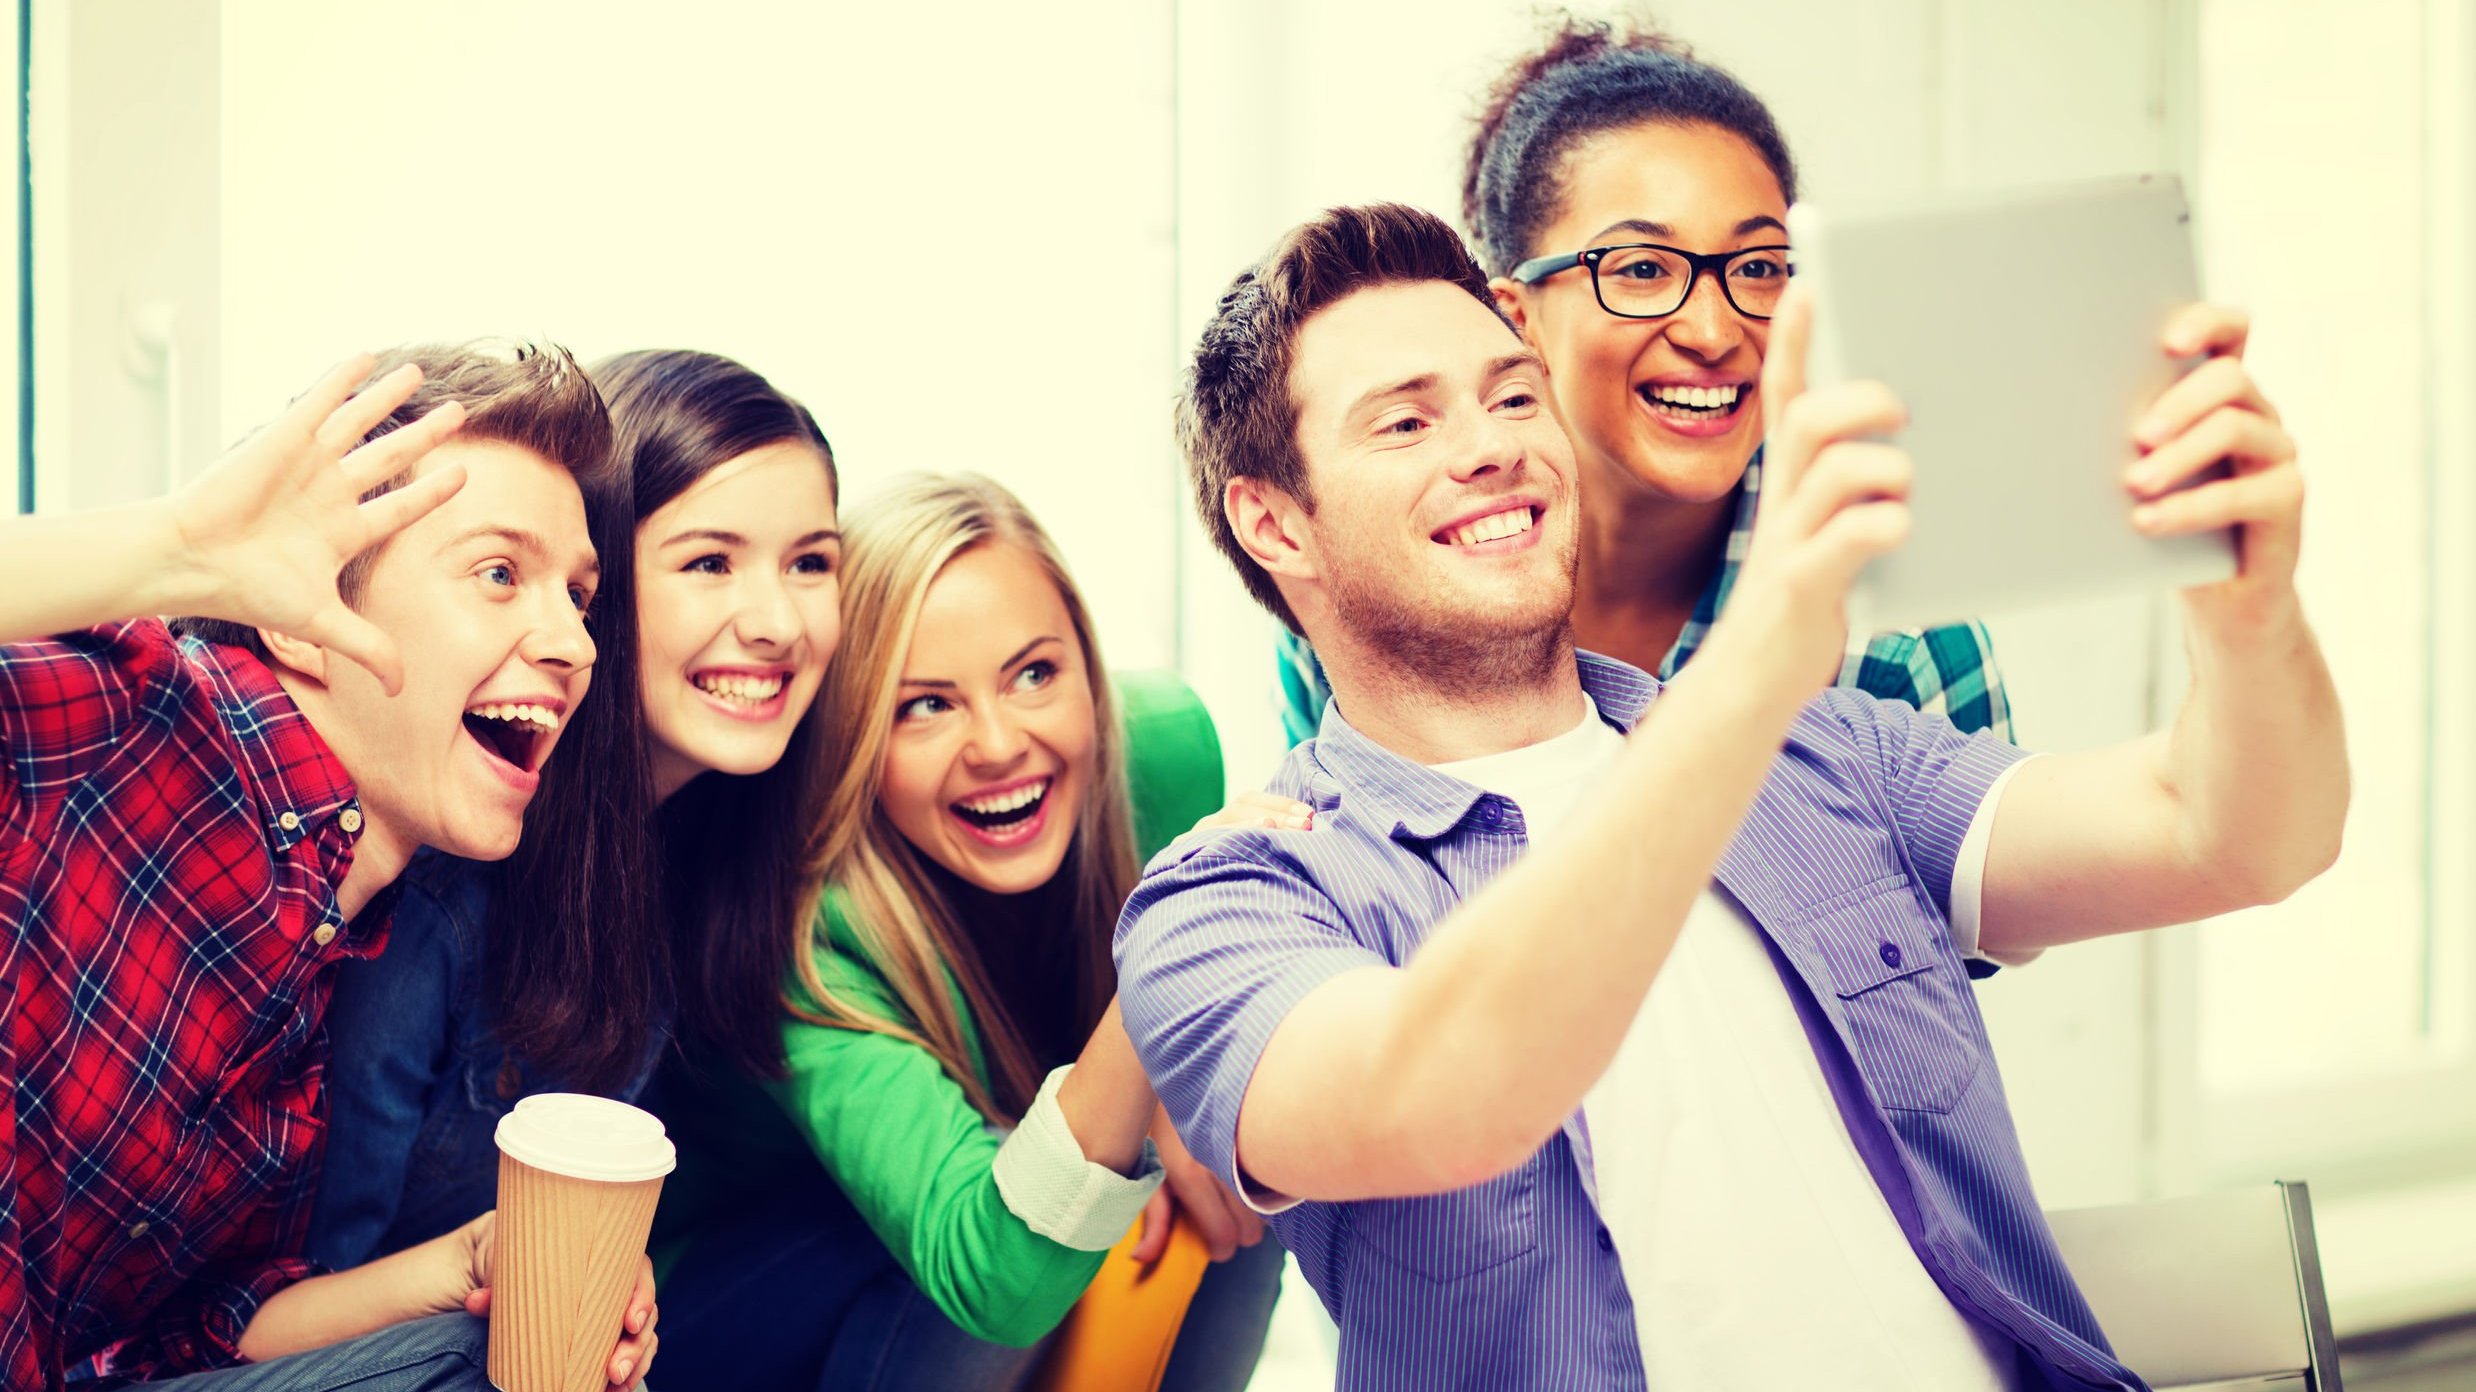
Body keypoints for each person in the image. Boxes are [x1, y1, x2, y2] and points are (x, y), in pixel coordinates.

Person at [1117, 202, 2344, 1390]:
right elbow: (1446, 1094)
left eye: (1510, 393)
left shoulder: (1823, 751)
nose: (1492, 444)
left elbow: (2231, 836)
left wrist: (2244, 609)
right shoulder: (1228, 903)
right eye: (1403, 424)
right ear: (1273, 524)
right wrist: (1761, 654)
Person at [0, 344, 659, 1391]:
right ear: (305, 620)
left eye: (577, 597)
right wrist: (176, 546)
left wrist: (464, 1265)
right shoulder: (128, 721)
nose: (576, 645)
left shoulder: (326, 959)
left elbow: (203, 1331)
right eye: (500, 573)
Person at [655, 474, 1284, 1392]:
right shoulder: (800, 941)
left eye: (1035, 673)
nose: (997, 744)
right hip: (731, 1299)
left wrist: (1185, 1094)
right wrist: (1163, 984)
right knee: (994, 1234)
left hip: (973, 1232)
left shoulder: (1168, 752)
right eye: (926, 706)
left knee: (1235, 1162)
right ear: (855, 739)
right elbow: (988, 1276)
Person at [303, 349, 849, 1391]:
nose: (778, 622)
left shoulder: (700, 850)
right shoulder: (437, 875)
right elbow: (304, 1293)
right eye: (709, 563)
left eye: (810, 563)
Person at [1274, 17, 2010, 747]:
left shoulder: (1895, 634)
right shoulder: (1363, 574)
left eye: (1757, 268)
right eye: (1642, 269)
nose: (1714, 334)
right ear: (1514, 318)